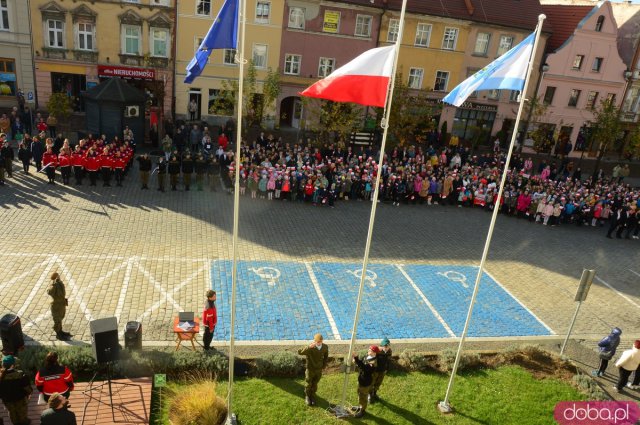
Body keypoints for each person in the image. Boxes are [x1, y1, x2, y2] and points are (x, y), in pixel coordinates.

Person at [0, 355, 32, 425]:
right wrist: (29, 394)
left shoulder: (1, 376)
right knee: (22, 415)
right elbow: (28, 388)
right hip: (20, 400)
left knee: (12, 414)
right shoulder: (21, 374)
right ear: (12, 365)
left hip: (8, 401)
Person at [298, 334, 328, 406]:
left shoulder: (325, 347)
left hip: (318, 369)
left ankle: (313, 395)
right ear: (314, 341)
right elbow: (299, 352)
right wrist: (308, 347)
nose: (319, 343)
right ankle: (307, 396)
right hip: (310, 369)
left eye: (320, 341)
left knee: (315, 383)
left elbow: (326, 357)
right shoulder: (310, 347)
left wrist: (323, 366)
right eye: (317, 341)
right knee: (308, 383)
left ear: (322, 341)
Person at [352, 346, 378, 418]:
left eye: (370, 350)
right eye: (369, 349)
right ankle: (360, 406)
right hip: (361, 379)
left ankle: (362, 411)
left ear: (374, 352)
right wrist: (356, 361)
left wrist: (356, 358)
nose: (368, 350)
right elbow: (362, 364)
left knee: (363, 396)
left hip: (365, 382)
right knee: (359, 394)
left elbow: (364, 368)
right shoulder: (368, 356)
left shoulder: (373, 362)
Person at [47, 273, 71, 340]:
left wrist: (59, 281)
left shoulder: (60, 283)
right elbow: (49, 292)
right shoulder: (54, 286)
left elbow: (63, 290)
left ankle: (61, 331)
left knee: (60, 318)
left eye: (58, 276)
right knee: (57, 320)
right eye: (57, 277)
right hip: (56, 306)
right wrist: (53, 285)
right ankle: (58, 335)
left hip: (61, 304)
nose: (58, 277)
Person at [370, 338, 392, 403]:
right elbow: (371, 358)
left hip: (382, 371)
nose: (387, 347)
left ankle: (374, 394)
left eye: (388, 346)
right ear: (382, 346)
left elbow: (388, 361)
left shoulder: (389, 351)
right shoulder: (378, 351)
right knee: (372, 383)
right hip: (375, 370)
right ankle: (370, 396)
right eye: (385, 346)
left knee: (378, 383)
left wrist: (387, 369)